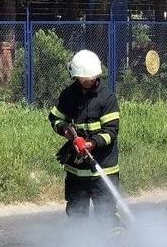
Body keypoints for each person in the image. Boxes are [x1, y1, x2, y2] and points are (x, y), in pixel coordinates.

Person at [48, 50, 121, 222]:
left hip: (103, 168)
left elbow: (111, 131)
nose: (87, 82)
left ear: (97, 75)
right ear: (75, 77)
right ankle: (78, 246)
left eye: (90, 79)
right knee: (76, 214)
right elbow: (55, 118)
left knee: (107, 214)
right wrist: (65, 130)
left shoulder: (107, 98)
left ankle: (115, 246)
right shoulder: (68, 95)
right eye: (83, 79)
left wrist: (92, 144)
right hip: (77, 171)